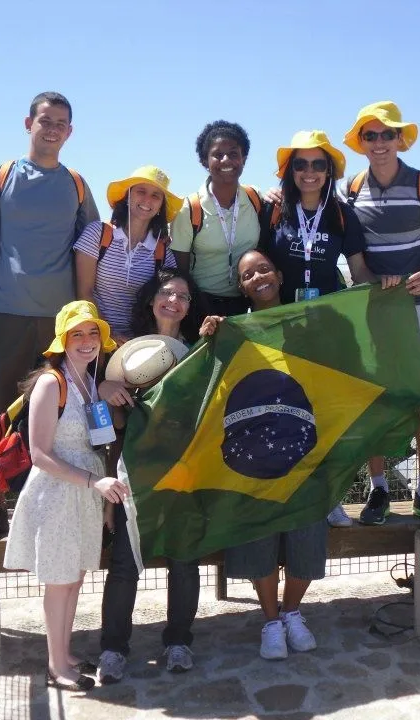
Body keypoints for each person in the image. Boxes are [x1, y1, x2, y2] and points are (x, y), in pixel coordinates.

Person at [0, 91, 100, 513]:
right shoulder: (0, 177)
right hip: (6, 315)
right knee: (3, 411)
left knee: (61, 411)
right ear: (29, 124)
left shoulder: (77, 185)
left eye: (61, 123)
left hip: (60, 324)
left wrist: (87, 313)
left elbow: (91, 249)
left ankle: (50, 498)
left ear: (70, 132)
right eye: (46, 121)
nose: (53, 129)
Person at [200, 250, 327, 661]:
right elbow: (209, 378)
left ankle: (293, 612)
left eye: (264, 269)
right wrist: (212, 336)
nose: (258, 277)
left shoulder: (304, 323)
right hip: (252, 454)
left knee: (308, 536)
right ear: (241, 287)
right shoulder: (233, 329)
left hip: (303, 448)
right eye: (248, 274)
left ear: (278, 274)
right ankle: (271, 621)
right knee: (258, 537)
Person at [3, 300, 128, 691]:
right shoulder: (50, 382)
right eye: (79, 334)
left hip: (83, 495)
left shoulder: (88, 380)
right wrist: (95, 484)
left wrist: (97, 493)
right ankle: (56, 667)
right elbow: (40, 454)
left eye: (93, 334)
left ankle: (65, 652)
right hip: (57, 496)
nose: (88, 341)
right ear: (63, 340)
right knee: (59, 583)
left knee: (72, 580)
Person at [341, 100, 420, 527]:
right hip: (373, 313)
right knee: (374, 402)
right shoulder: (350, 190)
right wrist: (372, 282)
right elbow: (354, 255)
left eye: (387, 134)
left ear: (400, 138)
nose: (379, 142)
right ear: (361, 143)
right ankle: (379, 490)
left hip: (418, 308)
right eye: (370, 135)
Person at [260, 130, 375, 528]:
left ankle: (328, 498)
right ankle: (285, 496)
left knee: (325, 415)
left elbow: (359, 270)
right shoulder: (271, 209)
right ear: (288, 170)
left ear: (329, 171)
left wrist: (385, 295)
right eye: (300, 164)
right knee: (283, 411)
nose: (309, 172)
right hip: (281, 327)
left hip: (328, 331)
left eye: (318, 164)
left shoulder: (342, 214)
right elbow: (255, 262)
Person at [95, 269, 205, 683]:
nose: (174, 301)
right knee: (124, 564)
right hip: (133, 475)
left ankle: (179, 641)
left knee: (184, 560)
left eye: (183, 296)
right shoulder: (122, 354)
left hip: (185, 473)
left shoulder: (199, 352)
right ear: (151, 300)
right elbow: (107, 427)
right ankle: (113, 648)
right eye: (166, 293)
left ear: (190, 307)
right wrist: (106, 389)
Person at [74, 166, 183, 342]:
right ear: (128, 196)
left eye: (156, 195)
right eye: (141, 191)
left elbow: (168, 300)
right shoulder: (97, 234)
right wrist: (109, 335)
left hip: (140, 343)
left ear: (160, 206)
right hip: (95, 339)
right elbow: (83, 292)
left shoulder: (163, 252)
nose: (148, 200)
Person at [170, 120, 263, 318]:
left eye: (233, 153)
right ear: (205, 161)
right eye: (217, 155)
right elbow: (181, 271)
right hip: (202, 305)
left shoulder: (255, 199)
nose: (226, 160)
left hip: (248, 301)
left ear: (244, 159)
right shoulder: (190, 209)